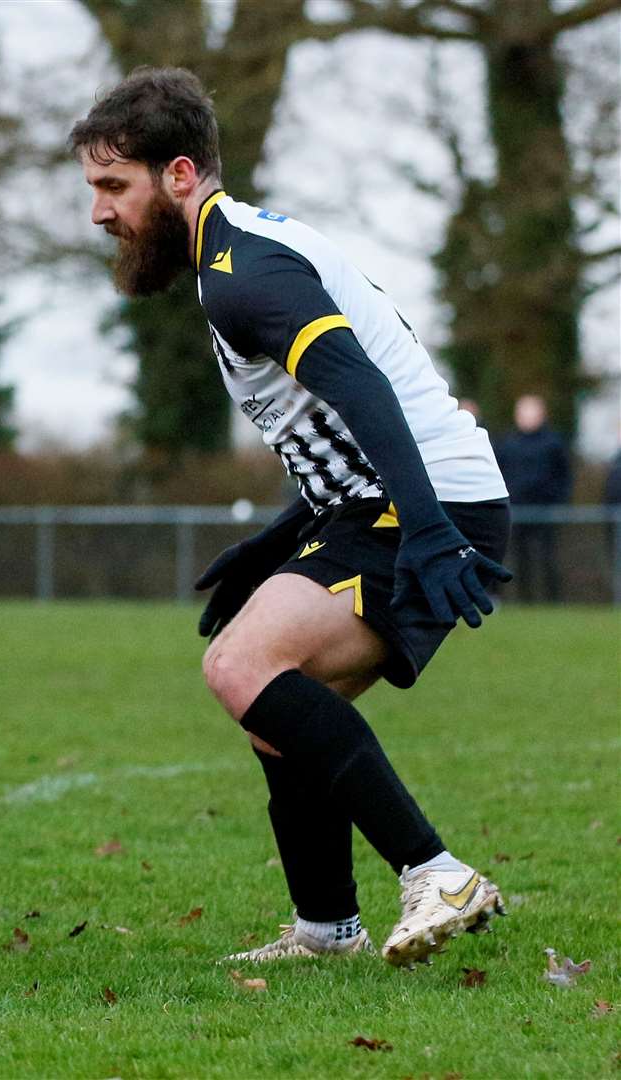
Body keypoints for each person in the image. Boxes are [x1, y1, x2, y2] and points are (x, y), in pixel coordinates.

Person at [70, 68, 512, 968]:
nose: (99, 213)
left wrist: (426, 529)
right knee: (274, 703)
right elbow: (335, 423)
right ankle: (326, 928)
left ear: (181, 174)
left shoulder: (243, 271)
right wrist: (281, 539)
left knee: (241, 663)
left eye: (114, 186)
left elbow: (357, 381)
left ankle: (439, 874)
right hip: (376, 501)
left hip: (422, 501)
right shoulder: (231, 256)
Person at [494, 394, 571, 602]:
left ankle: (552, 600)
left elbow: (564, 475)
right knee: (520, 558)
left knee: (548, 557)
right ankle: (524, 600)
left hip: (545, 510)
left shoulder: (553, 442)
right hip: (517, 510)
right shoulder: (507, 443)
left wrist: (557, 500)